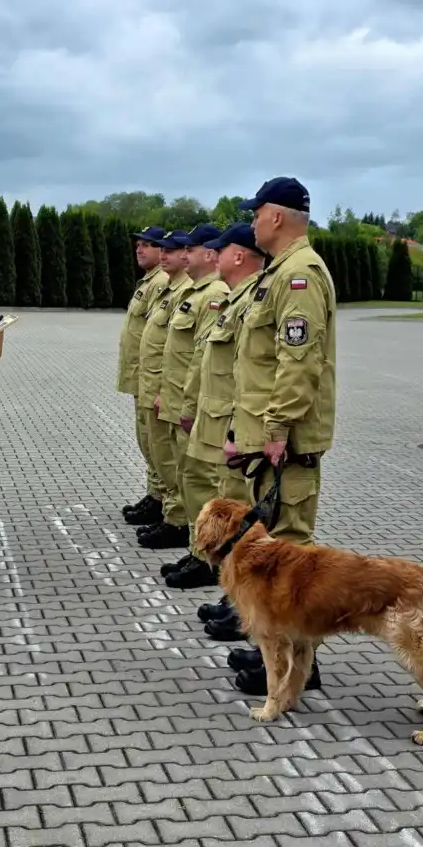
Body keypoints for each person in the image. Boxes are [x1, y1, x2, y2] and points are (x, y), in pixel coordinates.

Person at [225, 177, 336, 696]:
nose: (250, 222)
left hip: (286, 442)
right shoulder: (279, 273)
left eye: (255, 213)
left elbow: (298, 360)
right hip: (269, 439)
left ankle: (299, 669)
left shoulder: (300, 276)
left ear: (276, 216)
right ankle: (280, 655)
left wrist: (276, 427)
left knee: (292, 557)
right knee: (275, 556)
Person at [162, 222, 267, 590]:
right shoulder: (235, 297)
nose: (211, 255)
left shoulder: (231, 296)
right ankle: (208, 557)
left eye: (217, 249)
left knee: (226, 498)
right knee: (201, 484)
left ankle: (219, 567)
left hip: (230, 418)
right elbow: (201, 361)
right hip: (211, 410)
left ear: (237, 255)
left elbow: (251, 370)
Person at [151, 223, 228, 556]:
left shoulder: (214, 296)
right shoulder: (195, 293)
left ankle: (206, 553)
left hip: (196, 405)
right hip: (178, 400)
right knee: (183, 474)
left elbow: (203, 357)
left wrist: (189, 404)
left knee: (200, 480)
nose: (183, 254)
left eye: (190, 249)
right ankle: (197, 547)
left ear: (210, 254)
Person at [135, 231, 192, 548]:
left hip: (168, 391)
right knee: (156, 451)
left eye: (174, 249)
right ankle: (165, 507)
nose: (168, 255)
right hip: (152, 385)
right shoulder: (166, 288)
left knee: (173, 460)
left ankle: (177, 519)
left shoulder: (188, 292)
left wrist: (164, 391)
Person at [117, 226, 168, 527]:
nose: (139, 249)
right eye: (138, 244)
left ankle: (162, 499)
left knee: (155, 442)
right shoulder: (149, 281)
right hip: (140, 377)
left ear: (163, 250)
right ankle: (155, 493)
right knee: (147, 440)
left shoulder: (161, 282)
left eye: (147, 245)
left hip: (151, 379)